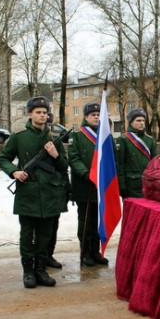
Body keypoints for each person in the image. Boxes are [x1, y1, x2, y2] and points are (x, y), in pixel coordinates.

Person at [0, 97, 68, 288]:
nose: (42, 115)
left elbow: (63, 166)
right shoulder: (19, 136)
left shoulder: (54, 138)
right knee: (27, 235)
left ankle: (41, 270)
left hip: (49, 194)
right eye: (38, 112)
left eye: (45, 112)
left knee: (45, 235)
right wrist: (14, 171)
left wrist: (55, 155)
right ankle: (28, 272)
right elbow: (4, 158)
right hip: (28, 193)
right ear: (30, 114)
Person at [67, 102, 108, 267]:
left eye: (99, 115)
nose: (97, 117)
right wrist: (86, 173)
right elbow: (74, 157)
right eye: (93, 115)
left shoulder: (105, 134)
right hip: (84, 184)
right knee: (85, 221)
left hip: (101, 186)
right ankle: (85, 253)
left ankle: (95, 251)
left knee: (97, 221)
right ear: (85, 117)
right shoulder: (77, 135)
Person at [45, 112, 69, 269]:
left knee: (53, 225)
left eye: (49, 125)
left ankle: (49, 255)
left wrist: (55, 155)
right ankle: (38, 256)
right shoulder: (29, 139)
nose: (46, 128)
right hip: (38, 188)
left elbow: (64, 165)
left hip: (55, 188)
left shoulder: (56, 141)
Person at [116, 108, 156, 198]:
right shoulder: (123, 139)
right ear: (131, 122)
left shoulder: (150, 140)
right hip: (131, 185)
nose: (142, 123)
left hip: (147, 183)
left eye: (143, 120)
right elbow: (120, 164)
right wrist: (122, 186)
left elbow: (154, 163)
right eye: (138, 120)